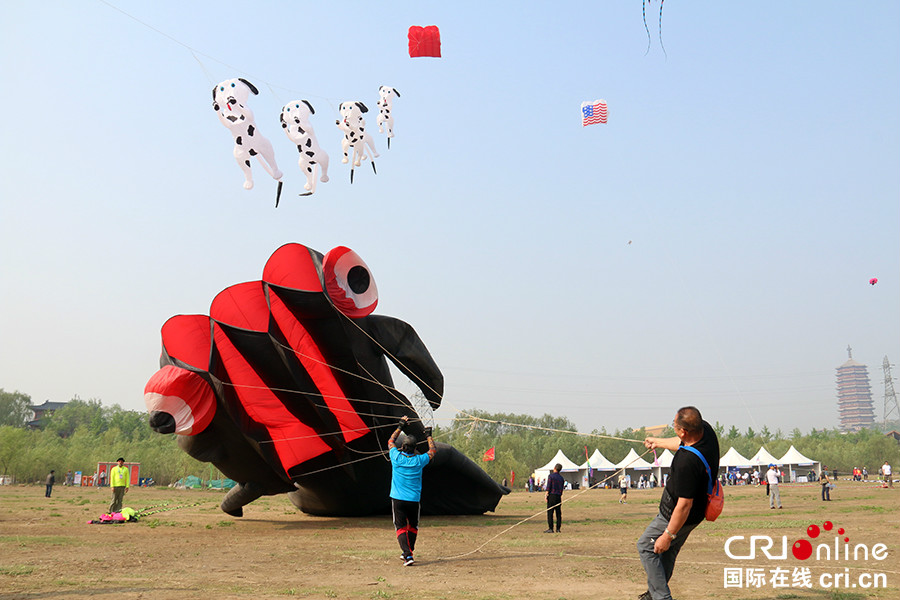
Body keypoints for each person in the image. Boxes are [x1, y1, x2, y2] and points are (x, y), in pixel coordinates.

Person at [637, 406, 720, 600]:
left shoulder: (686, 462)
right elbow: (682, 442)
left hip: (676, 514)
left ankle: (661, 597)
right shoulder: (704, 431)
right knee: (668, 552)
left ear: (683, 430)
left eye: (675, 425)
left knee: (647, 546)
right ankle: (655, 594)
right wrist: (657, 442)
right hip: (696, 514)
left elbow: (684, 505)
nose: (673, 427)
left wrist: (668, 534)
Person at [388, 416, 436, 566]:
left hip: (398, 499)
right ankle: (408, 552)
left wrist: (400, 426)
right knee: (413, 526)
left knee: (400, 527)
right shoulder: (419, 460)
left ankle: (408, 555)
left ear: (402, 447)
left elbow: (390, 441)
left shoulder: (396, 457)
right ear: (415, 448)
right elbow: (433, 451)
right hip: (414, 500)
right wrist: (429, 436)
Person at [544, 463, 564, 533]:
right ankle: (558, 529)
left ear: (554, 468)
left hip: (552, 496)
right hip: (558, 496)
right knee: (558, 513)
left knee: (550, 513)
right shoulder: (561, 478)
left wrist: (546, 495)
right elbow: (561, 488)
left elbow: (549, 486)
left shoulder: (551, 476)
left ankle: (551, 528)